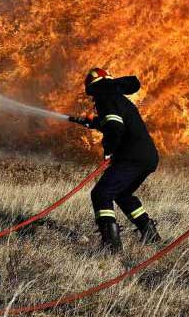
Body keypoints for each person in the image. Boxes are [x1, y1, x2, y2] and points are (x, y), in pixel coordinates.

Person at [69, 68, 161, 253]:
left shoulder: (105, 96)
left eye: (92, 93)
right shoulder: (116, 96)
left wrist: (109, 151)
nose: (93, 98)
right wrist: (94, 122)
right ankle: (149, 233)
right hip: (148, 157)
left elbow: (114, 127)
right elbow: (114, 122)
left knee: (101, 194)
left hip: (131, 156)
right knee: (122, 194)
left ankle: (111, 246)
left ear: (94, 87)